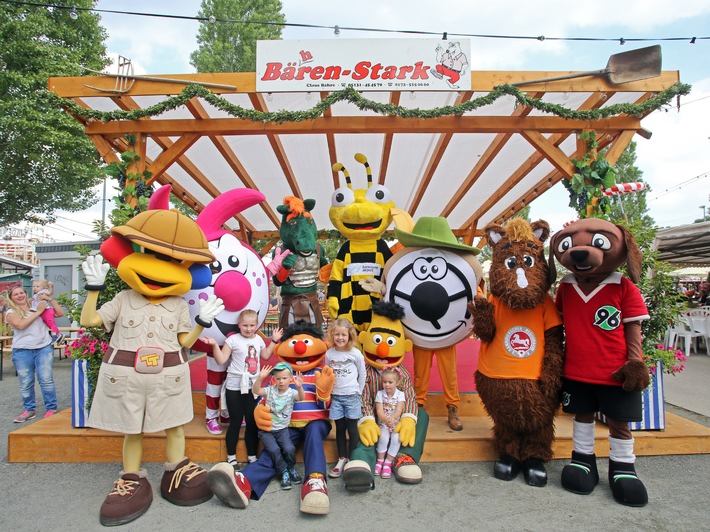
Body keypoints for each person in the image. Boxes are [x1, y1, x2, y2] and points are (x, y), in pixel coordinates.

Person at [208, 309, 283, 470]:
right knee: (235, 422)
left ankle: (252, 456)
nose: (248, 328)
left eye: (252, 325)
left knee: (251, 422)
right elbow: (221, 359)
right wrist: (214, 345)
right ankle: (231, 458)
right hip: (234, 386)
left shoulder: (258, 339)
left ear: (257, 325)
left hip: (253, 387)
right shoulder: (232, 340)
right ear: (239, 325)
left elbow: (265, 356)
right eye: (245, 325)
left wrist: (274, 341)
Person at [5, 285, 64, 422]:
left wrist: (50, 299)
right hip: (22, 350)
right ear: (11, 298)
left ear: (26, 294)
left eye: (21, 293)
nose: (20, 296)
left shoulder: (38, 305)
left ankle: (51, 408)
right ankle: (29, 410)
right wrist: (38, 312)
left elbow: (60, 313)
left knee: (46, 379)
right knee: (26, 381)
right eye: (16, 294)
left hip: (43, 347)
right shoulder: (11, 312)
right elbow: (20, 325)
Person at [251, 362, 305, 490]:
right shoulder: (270, 390)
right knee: (274, 450)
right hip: (267, 430)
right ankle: (284, 471)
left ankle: (291, 467)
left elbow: (301, 398)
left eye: (284, 378)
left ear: (290, 378)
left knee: (289, 448)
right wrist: (260, 378)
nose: (281, 381)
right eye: (278, 378)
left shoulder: (292, 393)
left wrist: (300, 387)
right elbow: (256, 390)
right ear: (274, 379)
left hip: (282, 429)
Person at [324, 318, 366, 478]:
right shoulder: (329, 354)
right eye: (337, 334)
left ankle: (353, 460)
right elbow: (327, 374)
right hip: (336, 397)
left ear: (350, 336)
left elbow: (362, 374)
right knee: (340, 429)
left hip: (352, 396)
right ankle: (342, 458)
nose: (340, 338)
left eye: (343, 335)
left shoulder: (356, 354)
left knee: (353, 429)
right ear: (332, 335)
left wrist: (358, 392)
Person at [374, 366, 406, 478]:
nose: (387, 385)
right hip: (384, 423)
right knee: (383, 437)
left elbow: (399, 409)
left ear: (397, 383)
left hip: (396, 423)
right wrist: (385, 420)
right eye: (384, 382)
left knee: (397, 438)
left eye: (390, 382)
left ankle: (388, 462)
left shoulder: (400, 394)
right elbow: (379, 411)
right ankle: (380, 460)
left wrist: (393, 418)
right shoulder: (380, 394)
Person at [30, 279, 63, 345]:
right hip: (41, 311)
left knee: (50, 323)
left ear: (44, 287)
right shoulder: (35, 296)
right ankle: (58, 334)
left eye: (37, 286)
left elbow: (50, 293)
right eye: (34, 286)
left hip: (46, 310)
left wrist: (51, 286)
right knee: (48, 323)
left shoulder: (43, 292)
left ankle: (56, 335)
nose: (35, 288)